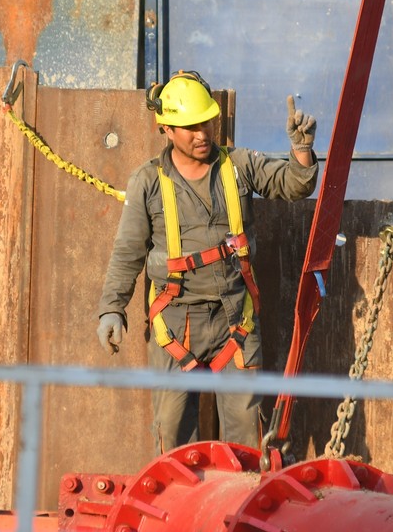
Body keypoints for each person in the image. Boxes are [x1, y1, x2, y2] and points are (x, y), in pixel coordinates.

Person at [94, 69, 318, 454]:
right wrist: (111, 309)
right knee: (172, 435)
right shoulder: (148, 181)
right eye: (190, 127)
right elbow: (127, 252)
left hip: (236, 319)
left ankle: (241, 509)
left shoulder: (238, 166)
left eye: (207, 123)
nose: (202, 135)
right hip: (177, 322)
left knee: (247, 436)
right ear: (165, 128)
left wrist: (301, 152)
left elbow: (295, 184)